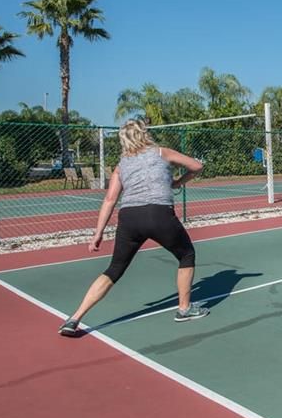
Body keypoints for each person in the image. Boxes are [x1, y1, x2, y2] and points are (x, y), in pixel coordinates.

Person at [58, 119, 208, 337]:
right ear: (144, 134)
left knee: (114, 269)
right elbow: (197, 166)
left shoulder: (122, 165)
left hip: (129, 218)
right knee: (186, 255)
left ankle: (74, 319)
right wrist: (177, 182)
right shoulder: (160, 152)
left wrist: (98, 234)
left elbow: (109, 200)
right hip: (158, 214)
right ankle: (184, 309)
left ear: (123, 139)